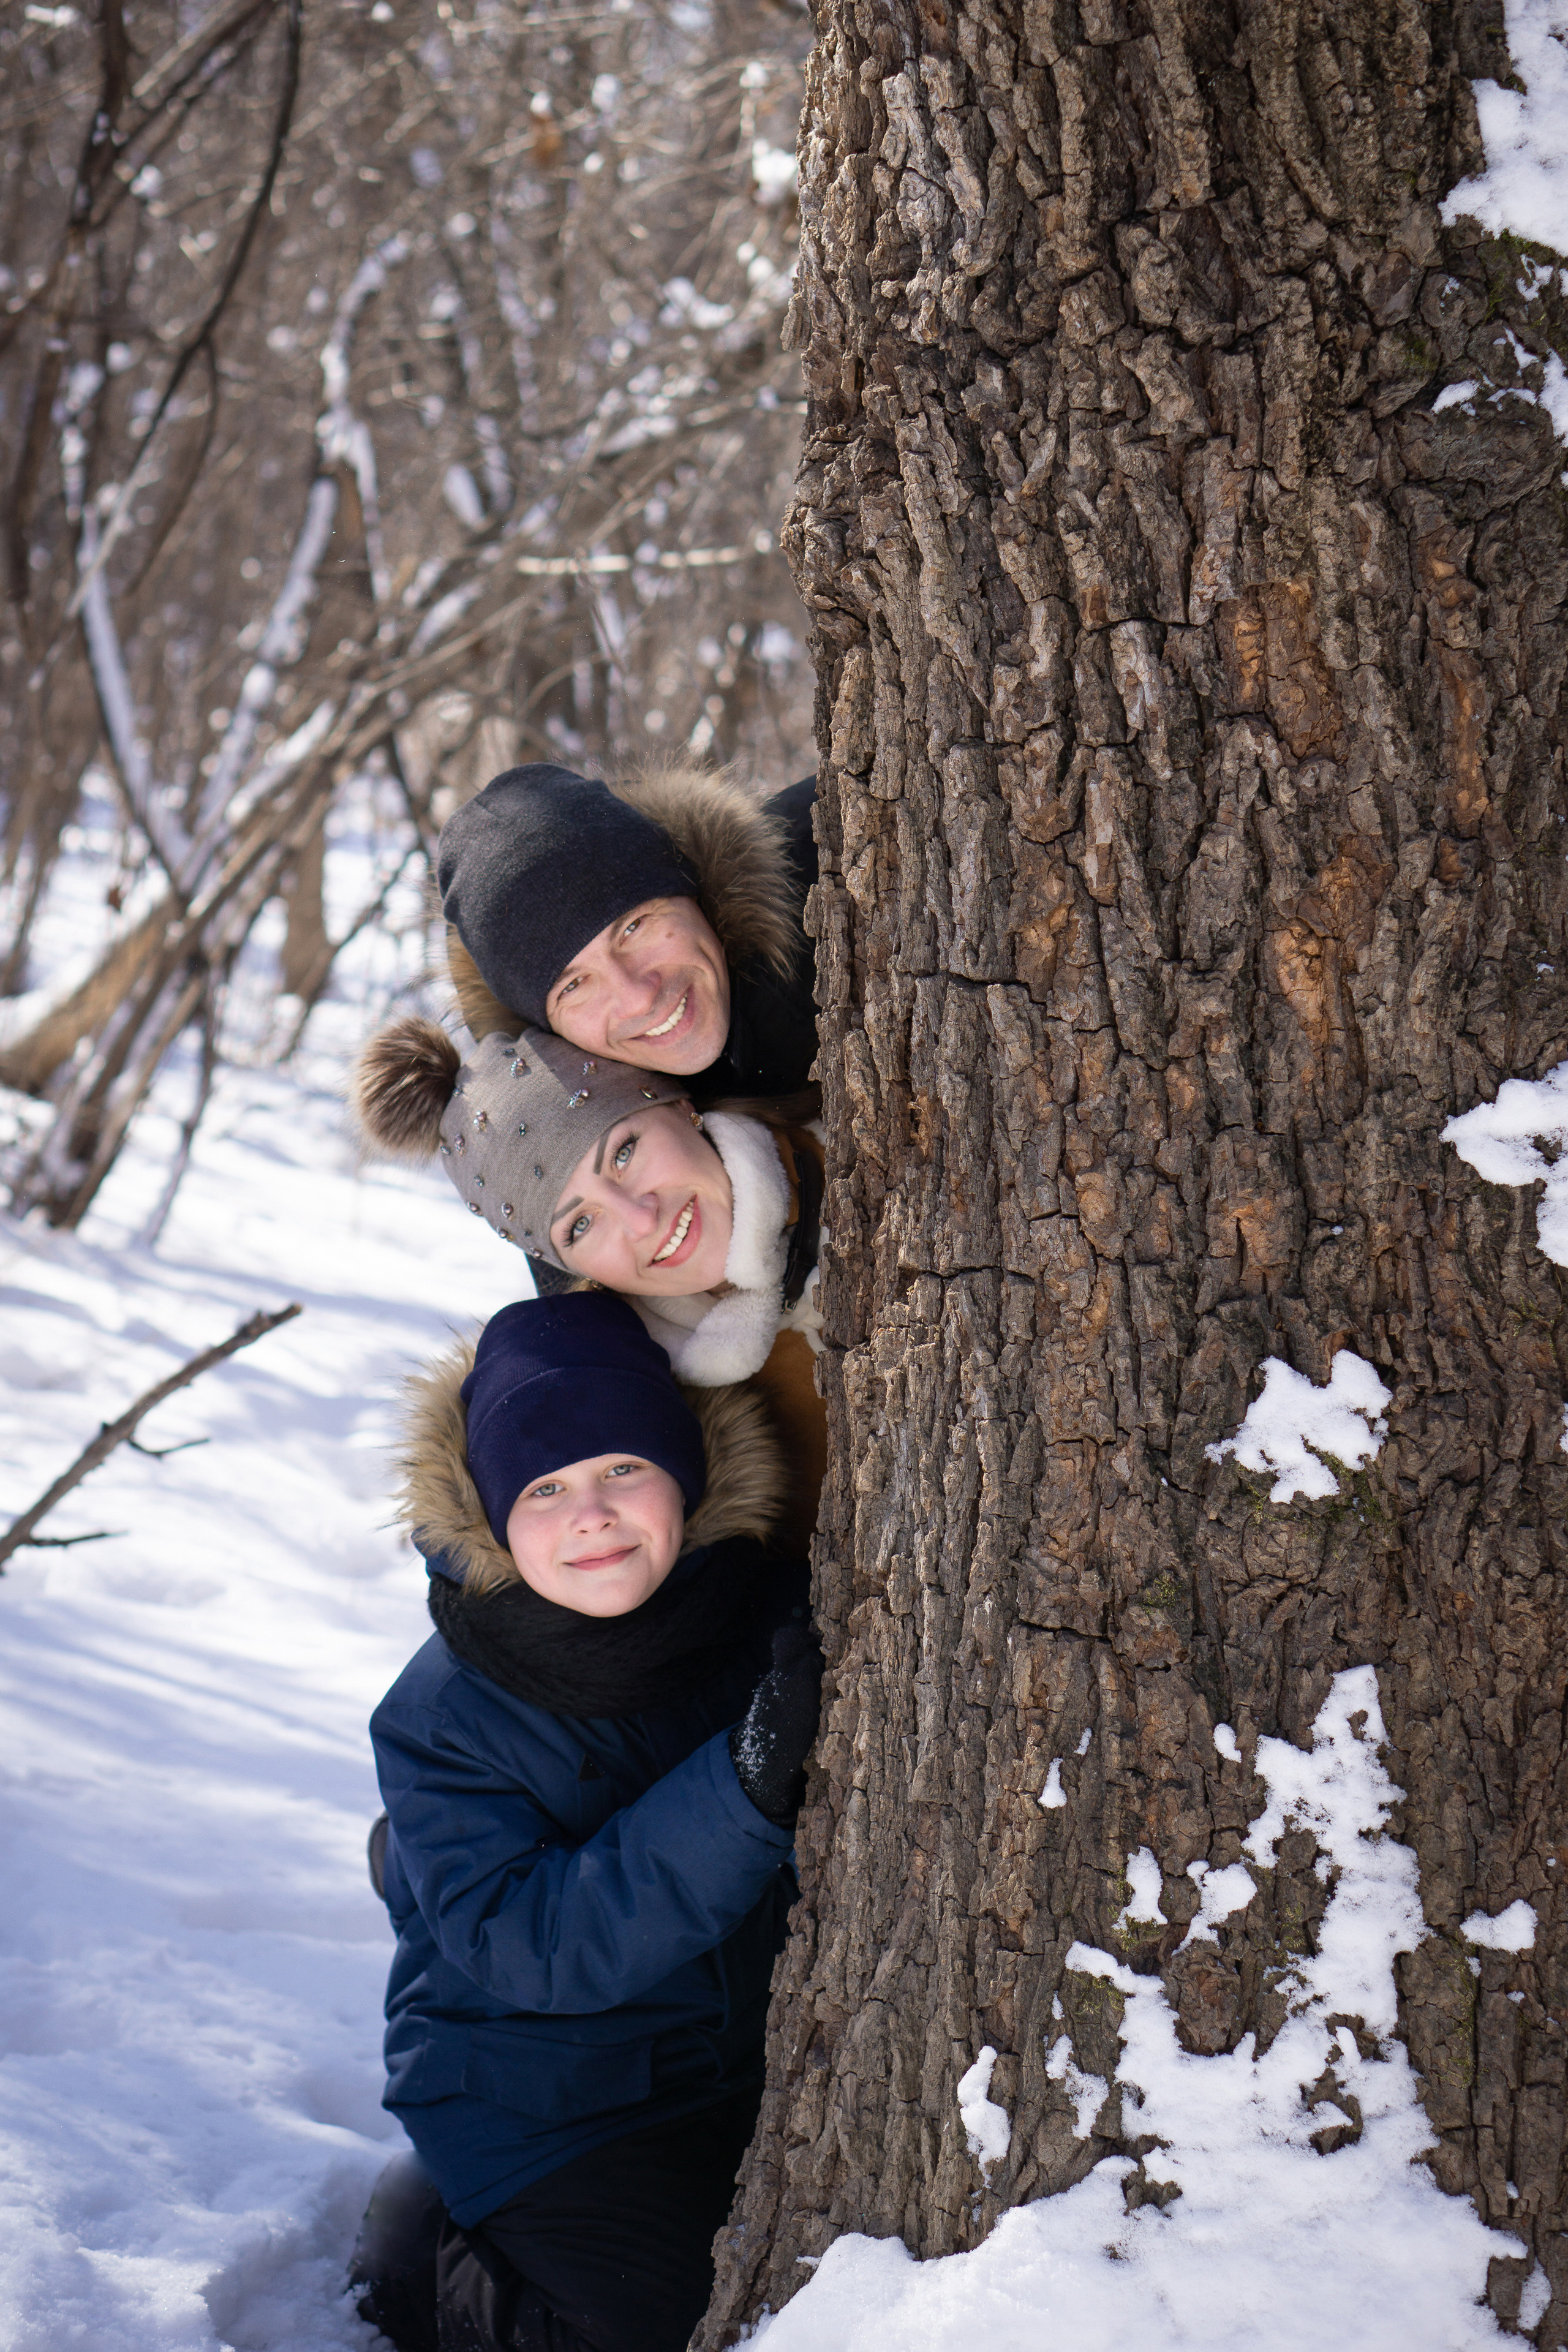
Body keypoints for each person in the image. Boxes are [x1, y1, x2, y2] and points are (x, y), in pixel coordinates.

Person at [350, 1292, 823, 2352]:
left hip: (732, 2062)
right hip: (543, 2101)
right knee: (668, 2331)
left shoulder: (754, 1613)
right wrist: (744, 1785)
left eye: (623, 1466)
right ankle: (433, 2257)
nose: (593, 1514)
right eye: (545, 1487)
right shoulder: (443, 1716)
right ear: (491, 1514)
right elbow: (531, 1946)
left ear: (686, 1472)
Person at [352, 1016, 826, 1546]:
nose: (641, 1220)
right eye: (580, 1225)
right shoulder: (639, 1414)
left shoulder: (871, 1152)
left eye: (624, 1153)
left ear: (679, 1107)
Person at [434, 758, 818, 1102]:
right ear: (549, 1032)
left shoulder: (835, 854)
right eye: (573, 986)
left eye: (632, 928)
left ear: (689, 883)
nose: (639, 999)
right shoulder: (612, 1138)